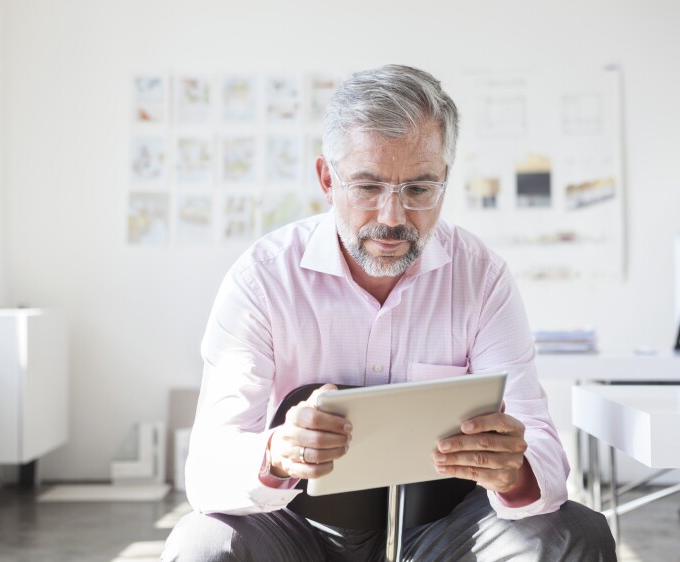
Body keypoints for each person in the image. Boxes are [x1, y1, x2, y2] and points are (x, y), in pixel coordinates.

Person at [161, 64, 616, 561]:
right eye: (368, 187)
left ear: (445, 179)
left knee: (576, 532)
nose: (392, 218)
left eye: (419, 189)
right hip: (297, 529)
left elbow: (544, 450)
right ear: (326, 180)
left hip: (446, 529)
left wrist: (515, 469)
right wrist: (275, 455)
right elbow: (207, 471)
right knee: (201, 544)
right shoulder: (263, 279)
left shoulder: (482, 278)